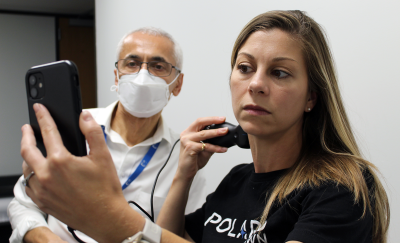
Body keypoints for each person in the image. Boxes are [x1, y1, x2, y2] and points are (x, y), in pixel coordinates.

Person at [19, 10, 390, 243]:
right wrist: (182, 174)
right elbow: (172, 237)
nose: (255, 84)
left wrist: (114, 223)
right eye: (245, 67)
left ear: (311, 97)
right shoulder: (236, 181)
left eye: (279, 73)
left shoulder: (343, 187)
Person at [8, 27, 207, 243]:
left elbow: (175, 237)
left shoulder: (185, 160)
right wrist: (46, 239)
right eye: (132, 64)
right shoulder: (72, 128)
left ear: (177, 84)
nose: (142, 75)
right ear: (116, 76)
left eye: (158, 66)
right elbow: (22, 203)